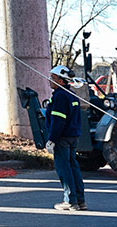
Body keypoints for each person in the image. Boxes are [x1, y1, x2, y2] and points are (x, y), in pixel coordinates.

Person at [46, 65, 87, 211]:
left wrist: (52, 139)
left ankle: (70, 201)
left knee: (65, 169)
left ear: (62, 81)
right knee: (74, 167)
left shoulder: (60, 96)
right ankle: (80, 200)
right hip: (73, 137)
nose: (50, 80)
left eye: (54, 78)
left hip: (62, 138)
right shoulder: (71, 95)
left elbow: (58, 121)